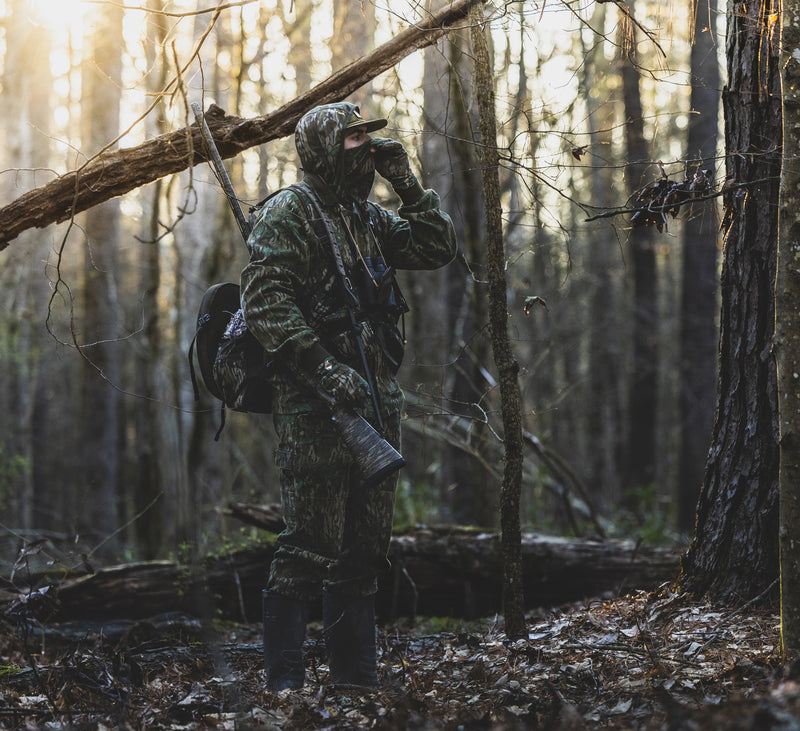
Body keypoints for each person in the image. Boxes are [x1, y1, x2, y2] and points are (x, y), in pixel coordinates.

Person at [240, 101, 457, 691]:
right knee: (308, 547)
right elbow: (265, 303)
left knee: (366, 552)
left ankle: (355, 685)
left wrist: (407, 183)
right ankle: (284, 689)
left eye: (367, 136)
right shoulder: (289, 213)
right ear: (322, 149)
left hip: (377, 402)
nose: (364, 148)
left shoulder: (366, 216)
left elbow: (437, 249)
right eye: (352, 139)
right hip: (315, 405)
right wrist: (324, 368)